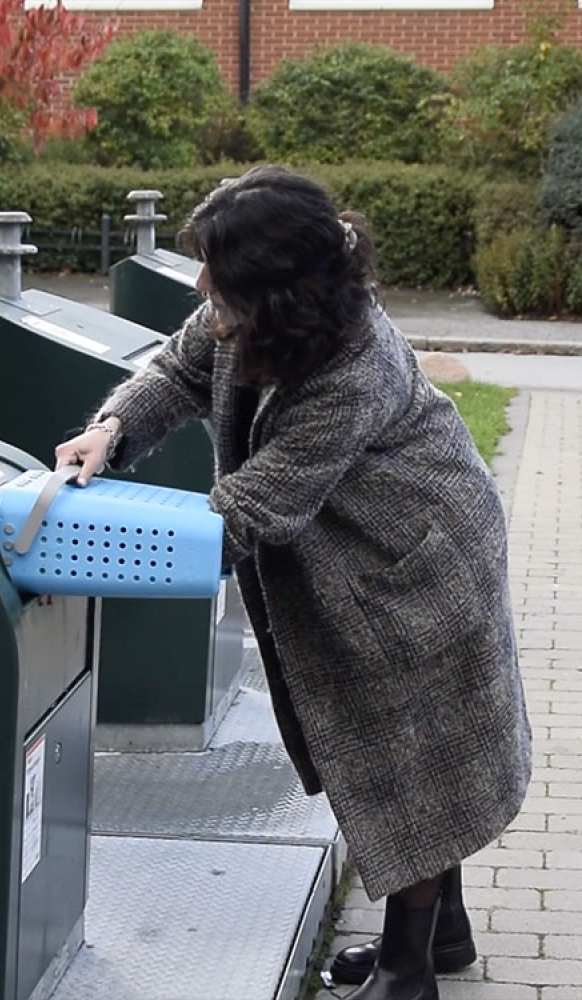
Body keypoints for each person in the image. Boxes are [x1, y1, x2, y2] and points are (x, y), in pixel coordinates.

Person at [55, 165, 531, 1000]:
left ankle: (407, 972)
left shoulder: (351, 370)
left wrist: (90, 548)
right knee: (417, 755)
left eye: (217, 269)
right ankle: (440, 928)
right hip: (378, 545)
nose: (201, 284)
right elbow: (176, 371)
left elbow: (249, 515)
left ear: (278, 291)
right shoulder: (248, 314)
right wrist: (112, 428)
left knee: (410, 759)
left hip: (416, 563)